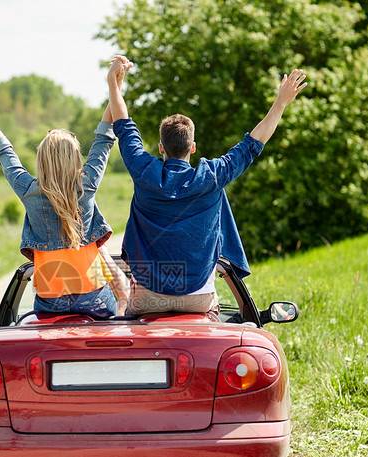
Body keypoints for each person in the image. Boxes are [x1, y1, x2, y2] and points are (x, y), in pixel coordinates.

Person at [106, 56, 307, 316]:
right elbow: (253, 144)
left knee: (126, 313)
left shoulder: (143, 170)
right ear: (192, 148)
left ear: (160, 148)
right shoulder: (211, 176)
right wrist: (281, 102)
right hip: (198, 297)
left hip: (148, 297)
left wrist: (114, 83)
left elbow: (124, 126)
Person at [0, 71, 130, 317]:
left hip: (50, 301)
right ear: (74, 158)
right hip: (93, 297)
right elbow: (104, 137)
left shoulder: (29, 191)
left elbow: (3, 150)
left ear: (42, 159)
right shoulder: (87, 184)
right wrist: (115, 85)